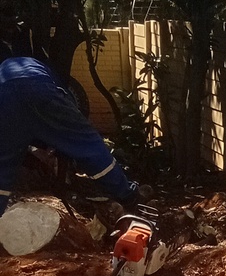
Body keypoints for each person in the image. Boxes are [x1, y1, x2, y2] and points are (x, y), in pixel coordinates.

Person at [0, 55, 141, 217]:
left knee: (2, 167)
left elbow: (22, 129)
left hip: (4, 99)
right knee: (89, 146)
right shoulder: (45, 76)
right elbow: (67, 130)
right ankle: (127, 195)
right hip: (41, 90)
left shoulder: (8, 71)